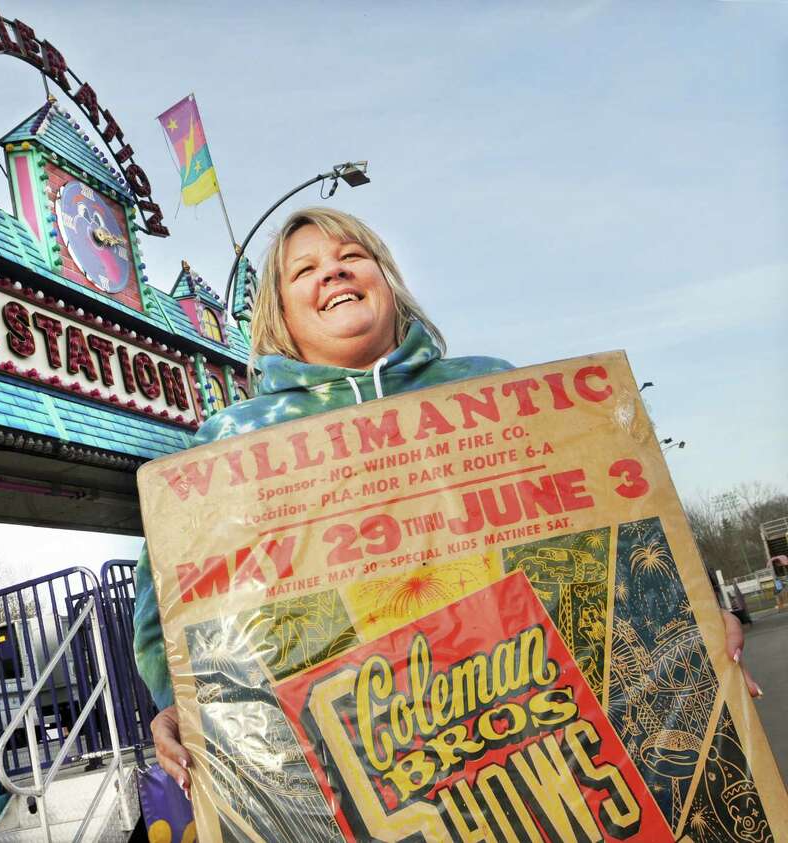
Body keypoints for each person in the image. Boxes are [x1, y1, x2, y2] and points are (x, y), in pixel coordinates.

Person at [131, 207, 759, 798]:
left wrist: (686, 619)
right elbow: (171, 613)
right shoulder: (228, 446)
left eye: (352, 255)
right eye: (305, 269)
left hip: (542, 728)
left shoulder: (496, 386)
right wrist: (184, 709)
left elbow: (619, 529)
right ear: (280, 314)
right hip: (353, 760)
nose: (333, 271)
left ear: (387, 282)